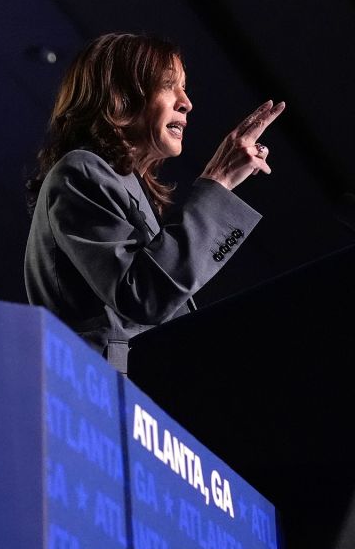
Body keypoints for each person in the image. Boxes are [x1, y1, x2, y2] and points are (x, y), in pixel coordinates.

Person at [24, 32, 285, 373]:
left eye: (185, 88)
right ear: (120, 96)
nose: (186, 102)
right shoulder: (80, 172)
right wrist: (218, 182)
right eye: (168, 85)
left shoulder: (128, 189)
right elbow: (144, 296)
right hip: (102, 400)